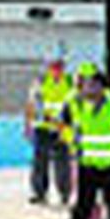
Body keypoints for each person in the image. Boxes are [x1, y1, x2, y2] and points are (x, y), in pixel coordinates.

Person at [59, 64, 110, 219]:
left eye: (92, 85)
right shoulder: (82, 106)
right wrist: (75, 146)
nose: (87, 88)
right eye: (86, 85)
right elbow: (73, 129)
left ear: (101, 87)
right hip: (88, 163)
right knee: (84, 203)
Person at [24, 58, 73, 206]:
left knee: (63, 163)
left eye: (59, 67)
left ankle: (64, 193)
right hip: (43, 127)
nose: (57, 70)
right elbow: (31, 105)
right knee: (40, 162)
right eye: (54, 67)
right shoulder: (41, 82)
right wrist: (28, 126)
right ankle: (39, 193)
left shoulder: (70, 82)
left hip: (62, 128)